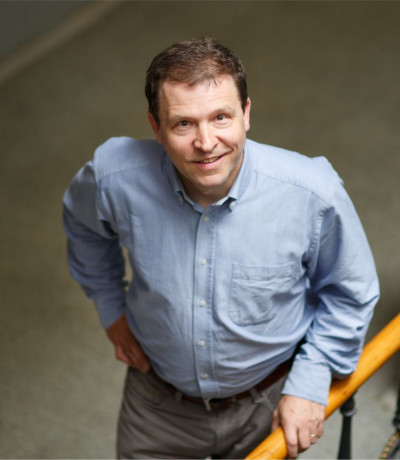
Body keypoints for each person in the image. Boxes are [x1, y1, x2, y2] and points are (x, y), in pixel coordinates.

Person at [63, 36, 379, 459]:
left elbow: (351, 292)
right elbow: (84, 228)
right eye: (183, 124)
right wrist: (109, 306)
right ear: (156, 127)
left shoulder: (312, 193)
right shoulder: (111, 178)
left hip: (266, 401)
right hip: (156, 404)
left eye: (220, 117)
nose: (206, 142)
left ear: (246, 114)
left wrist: (311, 377)